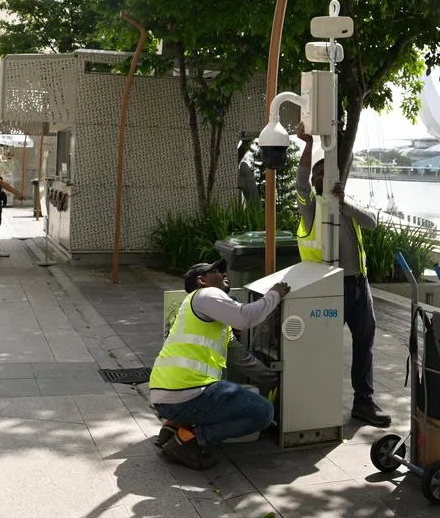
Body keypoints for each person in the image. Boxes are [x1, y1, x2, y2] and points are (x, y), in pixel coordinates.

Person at [150, 260, 290, 470]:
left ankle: (174, 427)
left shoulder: (197, 313)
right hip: (188, 392)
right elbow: (245, 317)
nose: (224, 273)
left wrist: (275, 379)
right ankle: (190, 440)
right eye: (216, 271)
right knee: (263, 412)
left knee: (232, 398)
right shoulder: (205, 294)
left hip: (167, 395)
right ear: (202, 280)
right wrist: (275, 294)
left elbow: (241, 358)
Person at [295, 121, 390, 428]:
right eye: (319, 174)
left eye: (330, 174)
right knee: (322, 345)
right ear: (314, 179)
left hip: (358, 286)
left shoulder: (343, 207)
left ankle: (363, 402)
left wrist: (345, 203)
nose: (324, 178)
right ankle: (316, 401)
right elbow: (299, 183)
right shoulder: (311, 207)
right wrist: (308, 145)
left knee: (364, 343)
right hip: (328, 286)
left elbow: (373, 223)